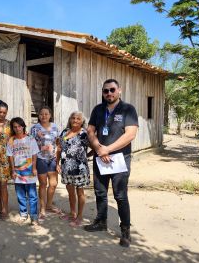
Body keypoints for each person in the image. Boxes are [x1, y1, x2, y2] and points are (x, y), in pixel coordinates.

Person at [84, 78, 138, 248]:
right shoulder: (98, 109)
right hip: (101, 158)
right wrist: (99, 149)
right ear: (102, 93)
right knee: (100, 192)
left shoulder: (128, 109)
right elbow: (90, 131)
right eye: (106, 91)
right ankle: (101, 222)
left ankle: (125, 231)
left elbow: (130, 134)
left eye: (112, 90)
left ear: (119, 91)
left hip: (120, 160)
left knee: (120, 195)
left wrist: (108, 149)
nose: (109, 93)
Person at [56, 111, 90, 227]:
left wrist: (86, 157)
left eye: (78, 119)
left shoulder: (85, 133)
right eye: (73, 118)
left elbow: (95, 147)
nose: (75, 120)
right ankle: (72, 213)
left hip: (80, 169)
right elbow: (59, 148)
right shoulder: (65, 132)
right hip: (66, 167)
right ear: (70, 120)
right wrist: (57, 163)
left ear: (82, 121)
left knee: (80, 192)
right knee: (70, 192)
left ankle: (80, 216)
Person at [30, 106, 61, 221]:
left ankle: (49, 205)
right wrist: (40, 147)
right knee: (43, 184)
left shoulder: (55, 127)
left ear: (50, 115)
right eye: (41, 114)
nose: (44, 116)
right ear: (38, 116)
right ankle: (42, 208)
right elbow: (30, 145)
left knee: (53, 184)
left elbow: (58, 144)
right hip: (40, 158)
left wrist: (57, 162)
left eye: (46, 114)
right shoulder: (34, 128)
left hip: (52, 159)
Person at [6, 117, 40, 226]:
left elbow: (34, 154)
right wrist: (12, 170)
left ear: (23, 126)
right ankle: (24, 214)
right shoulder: (11, 141)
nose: (17, 128)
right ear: (12, 128)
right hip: (18, 173)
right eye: (15, 127)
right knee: (20, 195)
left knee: (32, 195)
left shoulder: (30, 139)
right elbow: (10, 156)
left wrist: (34, 168)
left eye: (19, 126)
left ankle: (34, 216)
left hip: (29, 171)